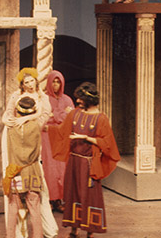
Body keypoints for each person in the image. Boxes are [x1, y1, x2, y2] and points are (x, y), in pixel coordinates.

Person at [49, 82, 120, 238]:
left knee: (89, 196)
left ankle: (90, 231)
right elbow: (61, 131)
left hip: (89, 164)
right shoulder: (75, 114)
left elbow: (107, 143)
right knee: (72, 194)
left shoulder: (101, 118)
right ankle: (74, 230)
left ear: (89, 100)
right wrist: (46, 127)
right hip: (74, 162)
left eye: (81, 99)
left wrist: (86, 138)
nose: (78, 101)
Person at [1, 68, 58, 238]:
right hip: (17, 136)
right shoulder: (15, 96)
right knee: (18, 198)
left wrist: (25, 118)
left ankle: (42, 230)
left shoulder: (43, 98)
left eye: (32, 81)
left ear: (36, 81)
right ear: (22, 84)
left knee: (36, 195)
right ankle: (19, 233)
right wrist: (12, 122)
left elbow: (43, 117)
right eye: (26, 82)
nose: (30, 84)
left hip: (31, 136)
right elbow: (7, 115)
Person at [3, 96, 44, 238]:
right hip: (32, 171)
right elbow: (41, 114)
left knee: (13, 207)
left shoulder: (10, 126)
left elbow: (6, 115)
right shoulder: (36, 126)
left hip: (16, 172)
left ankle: (10, 236)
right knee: (35, 208)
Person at [41, 70, 74, 212]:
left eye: (58, 82)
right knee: (49, 168)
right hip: (47, 138)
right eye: (53, 82)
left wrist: (54, 115)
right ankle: (49, 199)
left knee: (62, 168)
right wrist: (62, 113)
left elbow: (71, 119)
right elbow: (42, 120)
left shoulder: (67, 99)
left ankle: (60, 199)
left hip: (61, 137)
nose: (55, 85)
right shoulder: (43, 99)